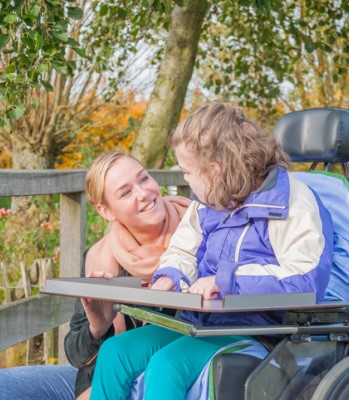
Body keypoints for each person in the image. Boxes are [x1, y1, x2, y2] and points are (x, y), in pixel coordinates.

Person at [89, 103, 334, 400]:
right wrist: (170, 276)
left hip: (264, 333)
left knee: (167, 366)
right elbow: (183, 251)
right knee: (117, 351)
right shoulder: (207, 202)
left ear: (214, 171)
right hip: (204, 324)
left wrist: (224, 280)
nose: (186, 180)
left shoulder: (293, 201)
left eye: (187, 171)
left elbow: (306, 279)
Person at [0, 151, 190, 400]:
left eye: (143, 179)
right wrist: (98, 328)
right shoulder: (100, 257)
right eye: (125, 193)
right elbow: (76, 355)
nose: (144, 194)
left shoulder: (197, 236)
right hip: (102, 379)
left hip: (170, 378)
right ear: (106, 211)